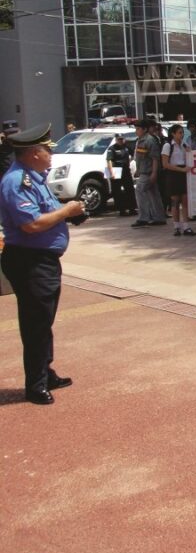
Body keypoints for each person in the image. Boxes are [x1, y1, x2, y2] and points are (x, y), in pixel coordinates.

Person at [0, 123, 86, 405]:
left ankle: (44, 372)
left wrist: (69, 214)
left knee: (43, 319)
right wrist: (66, 211)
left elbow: (46, 211)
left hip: (42, 260)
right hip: (30, 260)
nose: (51, 155)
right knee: (36, 322)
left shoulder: (34, 177)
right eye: (46, 150)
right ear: (33, 153)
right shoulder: (17, 181)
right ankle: (35, 385)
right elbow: (32, 225)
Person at [161, 124, 196, 237]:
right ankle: (176, 226)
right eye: (179, 132)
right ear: (173, 133)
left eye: (182, 132)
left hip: (183, 173)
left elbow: (191, 156)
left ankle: (186, 226)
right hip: (173, 174)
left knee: (185, 200)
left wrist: (189, 151)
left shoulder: (184, 145)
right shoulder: (167, 146)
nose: (181, 135)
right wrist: (181, 170)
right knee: (175, 201)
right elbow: (165, 164)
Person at [131, 120, 165, 228]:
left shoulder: (150, 140)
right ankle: (159, 218)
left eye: (138, 129)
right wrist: (137, 170)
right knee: (153, 194)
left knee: (140, 191)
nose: (136, 131)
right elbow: (140, 157)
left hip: (149, 172)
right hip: (144, 171)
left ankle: (144, 218)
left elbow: (155, 159)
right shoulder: (140, 140)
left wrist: (154, 173)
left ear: (144, 129)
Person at [104, 133, 137, 217]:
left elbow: (133, 155)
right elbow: (109, 161)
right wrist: (111, 173)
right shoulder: (112, 149)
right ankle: (121, 210)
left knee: (129, 189)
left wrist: (130, 163)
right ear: (116, 140)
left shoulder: (126, 147)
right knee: (117, 191)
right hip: (116, 170)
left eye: (122, 139)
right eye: (119, 139)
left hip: (125, 170)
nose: (121, 141)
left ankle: (132, 208)